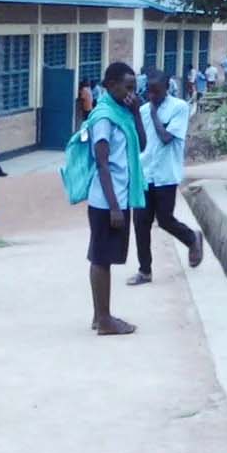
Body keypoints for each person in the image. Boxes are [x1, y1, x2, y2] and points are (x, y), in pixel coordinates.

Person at [85, 61, 146, 336]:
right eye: (128, 87)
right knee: (101, 258)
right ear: (111, 86)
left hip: (119, 196)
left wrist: (136, 113)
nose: (132, 92)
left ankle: (100, 316)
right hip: (107, 200)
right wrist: (113, 207)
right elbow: (102, 162)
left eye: (135, 87)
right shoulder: (104, 117)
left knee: (103, 257)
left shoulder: (123, 112)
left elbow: (141, 145)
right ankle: (106, 319)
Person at [127, 69, 205, 286]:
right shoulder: (142, 110)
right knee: (140, 222)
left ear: (166, 88)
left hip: (166, 174)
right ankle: (145, 271)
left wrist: (153, 115)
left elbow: (166, 138)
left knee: (165, 220)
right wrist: (137, 113)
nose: (152, 96)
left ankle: (192, 238)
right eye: (149, 92)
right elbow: (139, 139)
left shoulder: (179, 108)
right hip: (145, 173)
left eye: (156, 92)